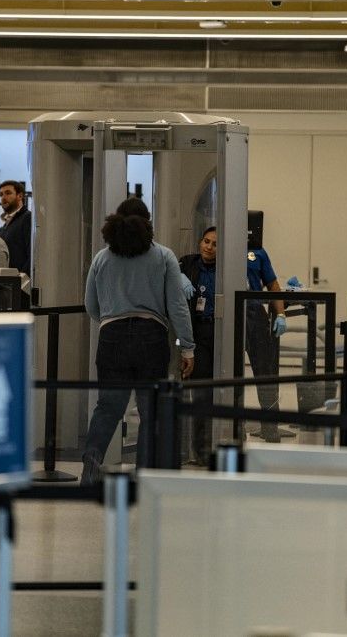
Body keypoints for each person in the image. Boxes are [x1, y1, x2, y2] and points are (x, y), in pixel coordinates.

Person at [80, 198, 194, 485]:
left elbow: (91, 306)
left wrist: (112, 317)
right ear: (148, 222)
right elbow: (177, 306)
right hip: (150, 337)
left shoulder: (102, 257)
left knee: (107, 408)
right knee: (149, 409)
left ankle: (91, 470)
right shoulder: (164, 256)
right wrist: (188, 346)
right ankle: (144, 476)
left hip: (111, 337)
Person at [178, 227, 219, 463]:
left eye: (214, 244)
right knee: (202, 393)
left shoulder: (228, 268)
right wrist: (178, 277)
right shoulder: (187, 264)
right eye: (206, 241)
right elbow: (167, 270)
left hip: (221, 331)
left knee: (221, 393)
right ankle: (200, 451)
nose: (209, 247)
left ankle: (219, 445)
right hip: (198, 332)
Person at [243, 240, 287, 442]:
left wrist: (281, 314)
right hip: (228, 313)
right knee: (229, 372)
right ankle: (232, 427)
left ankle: (270, 428)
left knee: (265, 372)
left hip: (254, 311)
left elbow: (273, 284)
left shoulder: (258, 252)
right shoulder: (220, 247)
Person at [0, 179, 32, 277]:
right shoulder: (6, 225)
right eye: (1, 194)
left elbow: (33, 255)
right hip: (6, 284)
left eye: (8, 193)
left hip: (18, 285)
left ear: (19, 196)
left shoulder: (27, 218)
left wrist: (20, 282)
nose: (3, 198)